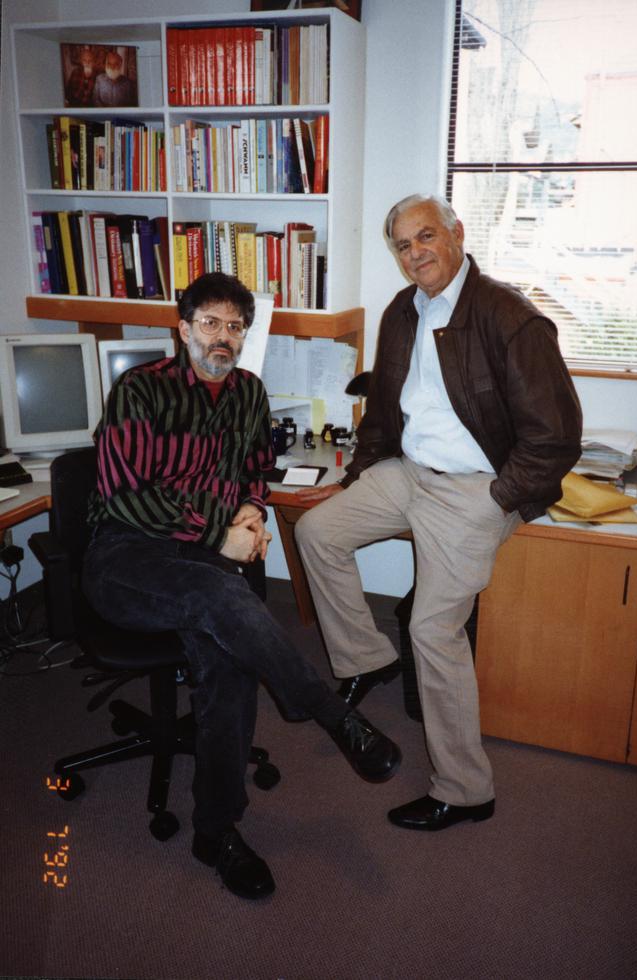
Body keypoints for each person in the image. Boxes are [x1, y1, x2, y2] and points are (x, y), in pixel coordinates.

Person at [83, 272, 400, 900]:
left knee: (228, 656)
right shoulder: (138, 392)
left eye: (234, 326)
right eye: (210, 323)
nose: (222, 338)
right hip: (126, 558)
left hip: (205, 558)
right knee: (222, 595)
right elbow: (126, 496)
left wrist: (253, 512)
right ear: (183, 328)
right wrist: (217, 534)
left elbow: (256, 469)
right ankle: (330, 713)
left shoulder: (249, 393)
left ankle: (217, 830)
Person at [295, 194, 582, 833]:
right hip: (408, 471)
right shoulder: (404, 312)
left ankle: (466, 788)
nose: (415, 253)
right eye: (402, 244)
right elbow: (385, 409)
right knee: (317, 530)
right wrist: (359, 475)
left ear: (456, 234)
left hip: (475, 487)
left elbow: (557, 436)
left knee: (432, 629)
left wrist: (498, 497)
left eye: (426, 236)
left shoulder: (508, 316)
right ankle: (367, 658)